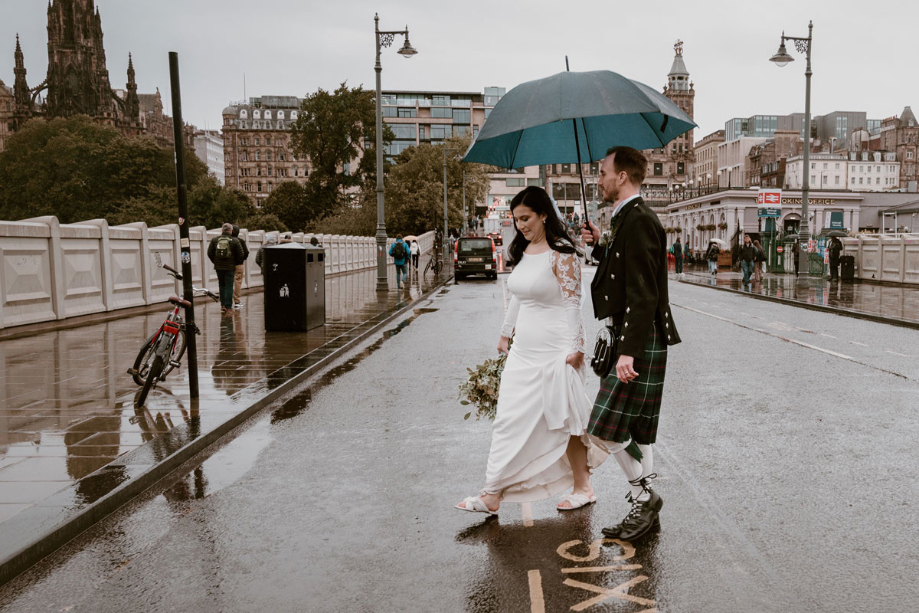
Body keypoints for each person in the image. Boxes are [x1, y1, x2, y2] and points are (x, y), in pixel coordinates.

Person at [456, 186, 607, 517]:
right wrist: (504, 334)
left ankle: (583, 487)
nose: (520, 225)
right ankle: (492, 491)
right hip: (524, 351)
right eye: (516, 219)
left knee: (564, 419)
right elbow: (519, 296)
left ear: (543, 215)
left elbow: (573, 304)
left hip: (557, 349)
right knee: (508, 420)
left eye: (526, 218)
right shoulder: (524, 252)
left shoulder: (562, 254)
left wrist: (577, 348)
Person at [581, 146, 681, 541]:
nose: (599, 178)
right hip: (637, 334)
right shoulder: (627, 219)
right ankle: (644, 512)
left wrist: (626, 351)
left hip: (636, 337)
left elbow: (643, 294)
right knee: (638, 430)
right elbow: (626, 271)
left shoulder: (637, 220)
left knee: (603, 428)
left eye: (603, 172)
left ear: (622, 176)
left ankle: (645, 495)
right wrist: (598, 246)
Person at [207, 223, 245, 314]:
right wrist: (234, 263)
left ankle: (223, 305)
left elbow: (209, 253)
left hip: (219, 267)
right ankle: (228, 306)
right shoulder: (235, 240)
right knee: (229, 285)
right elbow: (241, 255)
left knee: (221, 285)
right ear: (231, 231)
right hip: (230, 267)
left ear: (222, 230)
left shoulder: (214, 240)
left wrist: (215, 262)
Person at [231, 225, 249, 309]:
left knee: (228, 282)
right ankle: (237, 301)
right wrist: (241, 259)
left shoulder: (228, 241)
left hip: (228, 264)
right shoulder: (241, 241)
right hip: (239, 264)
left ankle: (226, 302)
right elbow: (246, 252)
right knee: (238, 282)